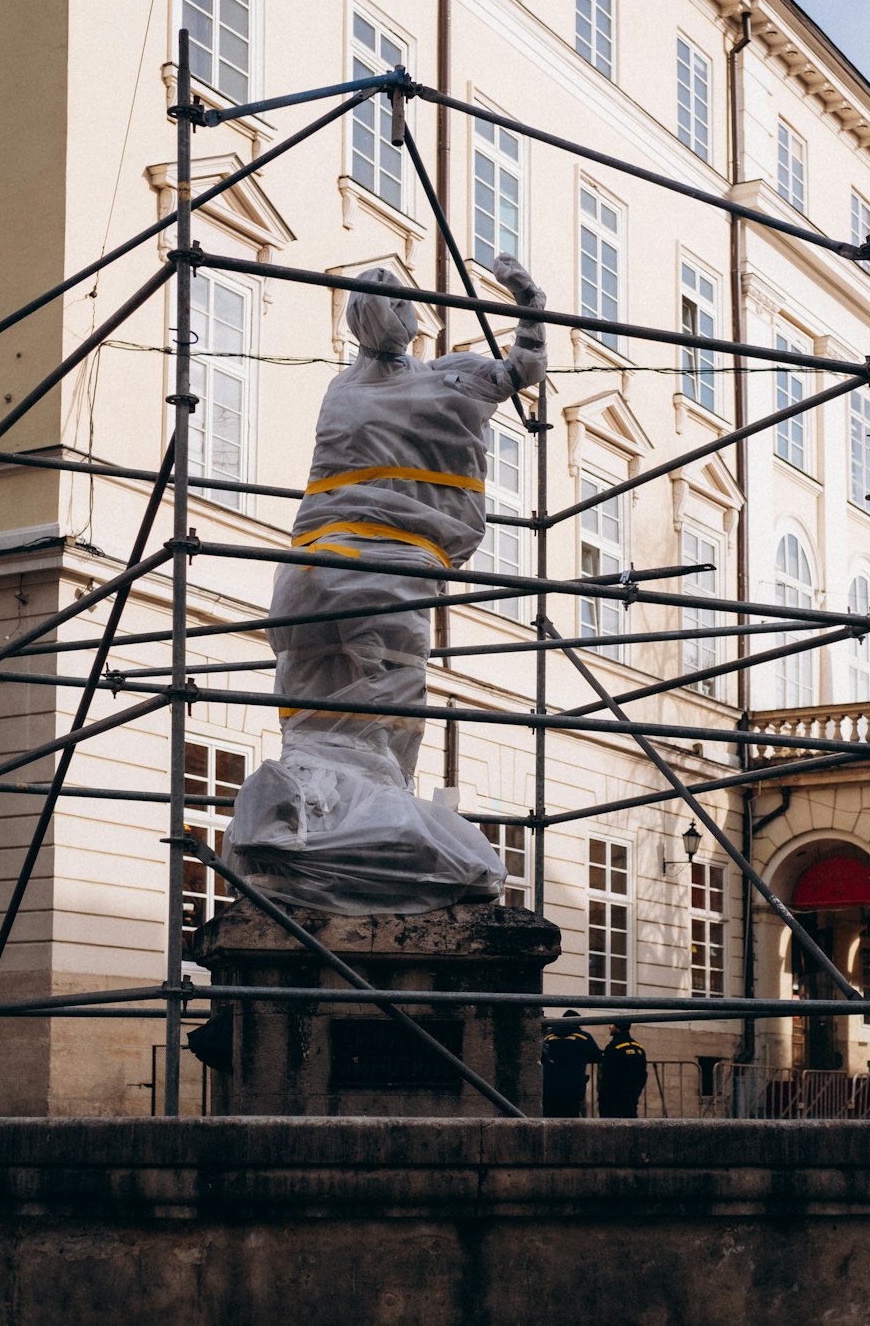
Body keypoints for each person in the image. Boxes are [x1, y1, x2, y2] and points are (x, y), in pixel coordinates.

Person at [224, 257, 548, 914]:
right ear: (410, 318)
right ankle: (347, 840)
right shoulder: (450, 376)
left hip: (306, 577)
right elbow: (523, 370)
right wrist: (530, 300)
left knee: (314, 724)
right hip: (387, 579)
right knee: (385, 733)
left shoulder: (339, 391)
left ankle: (294, 817)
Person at [542, 1012, 601, 1117]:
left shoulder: (548, 1036)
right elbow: (596, 1056)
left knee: (550, 1118)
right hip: (573, 1087)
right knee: (571, 1119)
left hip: (550, 1087)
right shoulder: (584, 1037)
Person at [598, 1021, 648, 1118]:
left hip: (613, 1098)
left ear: (617, 1028)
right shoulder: (638, 1047)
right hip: (631, 1096)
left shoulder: (614, 1047)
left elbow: (607, 1074)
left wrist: (603, 1096)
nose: (609, 1027)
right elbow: (643, 1074)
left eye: (612, 1025)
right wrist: (636, 1091)